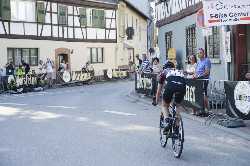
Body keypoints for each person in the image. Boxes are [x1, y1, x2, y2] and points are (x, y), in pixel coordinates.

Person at [154, 61, 186, 134]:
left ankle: (167, 121)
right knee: (178, 105)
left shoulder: (163, 72)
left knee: (164, 105)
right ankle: (177, 126)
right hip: (182, 86)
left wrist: (156, 101)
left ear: (165, 67)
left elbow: (159, 90)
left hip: (170, 87)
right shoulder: (179, 71)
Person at [194, 48, 211, 114]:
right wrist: (195, 75)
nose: (199, 54)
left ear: (204, 53)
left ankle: (207, 109)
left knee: (204, 94)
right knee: (198, 94)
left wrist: (199, 76)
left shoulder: (207, 61)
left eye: (200, 53)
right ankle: (200, 109)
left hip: (203, 79)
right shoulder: (198, 62)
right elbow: (196, 71)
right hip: (197, 80)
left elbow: (207, 72)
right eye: (198, 53)